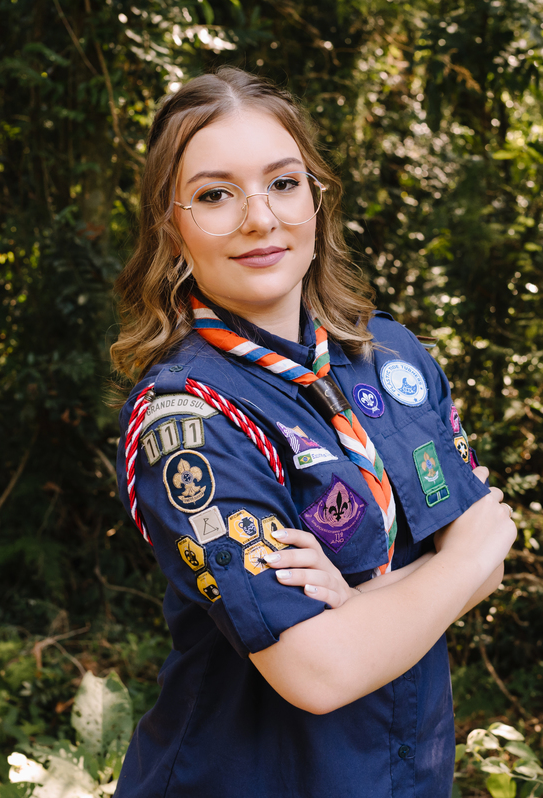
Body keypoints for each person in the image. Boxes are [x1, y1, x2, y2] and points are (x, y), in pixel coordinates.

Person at [110, 66, 517, 798]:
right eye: (215, 195)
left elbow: (490, 561)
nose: (260, 218)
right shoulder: (189, 418)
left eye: (283, 183)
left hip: (406, 775)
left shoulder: (392, 356)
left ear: (317, 198)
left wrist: (356, 605)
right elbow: (319, 670)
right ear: (171, 228)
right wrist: (455, 560)